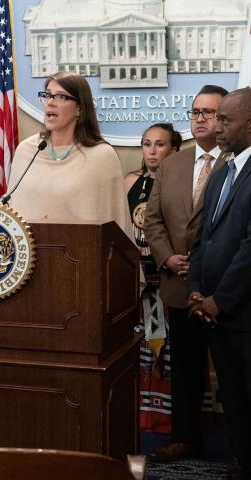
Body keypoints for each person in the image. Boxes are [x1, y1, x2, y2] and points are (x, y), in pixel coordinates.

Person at [144, 85, 229, 462]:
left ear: (227, 118)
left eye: (209, 112)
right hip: (179, 286)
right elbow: (152, 219)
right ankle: (185, 438)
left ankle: (240, 451)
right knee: (185, 371)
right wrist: (167, 257)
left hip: (226, 292)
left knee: (232, 372)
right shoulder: (173, 163)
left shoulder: (238, 162)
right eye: (195, 111)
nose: (199, 118)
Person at [188, 87, 251, 480]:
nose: (216, 127)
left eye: (226, 120)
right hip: (213, 308)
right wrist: (197, 289)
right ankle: (241, 459)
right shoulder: (222, 171)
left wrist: (219, 300)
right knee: (231, 395)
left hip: (242, 310)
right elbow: (201, 238)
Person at [7, 71, 134, 242]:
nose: (50, 102)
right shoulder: (27, 151)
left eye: (60, 97)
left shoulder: (102, 156)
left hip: (81, 258)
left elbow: (116, 225)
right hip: (30, 259)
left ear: (80, 109)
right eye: (47, 95)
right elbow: (15, 214)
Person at [125, 123, 182, 433]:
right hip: (136, 275)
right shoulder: (129, 181)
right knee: (140, 341)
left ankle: (165, 418)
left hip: (169, 276)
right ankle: (142, 413)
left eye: (160, 145)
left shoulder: (182, 183)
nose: (152, 151)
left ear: (174, 149)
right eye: (146, 144)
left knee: (167, 344)